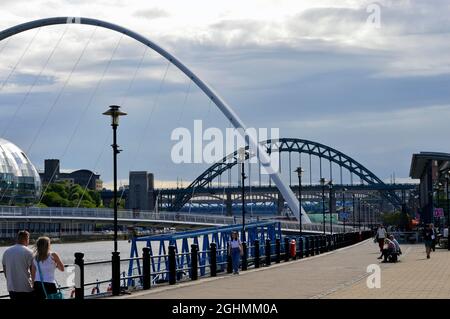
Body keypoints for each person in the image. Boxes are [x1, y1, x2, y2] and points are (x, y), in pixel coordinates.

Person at [1, 230, 34, 300]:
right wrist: (34, 285)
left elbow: (4, 268)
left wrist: (9, 280)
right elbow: (33, 270)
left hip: (11, 287)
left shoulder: (7, 251)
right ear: (26, 238)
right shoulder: (29, 252)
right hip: (26, 287)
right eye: (28, 239)